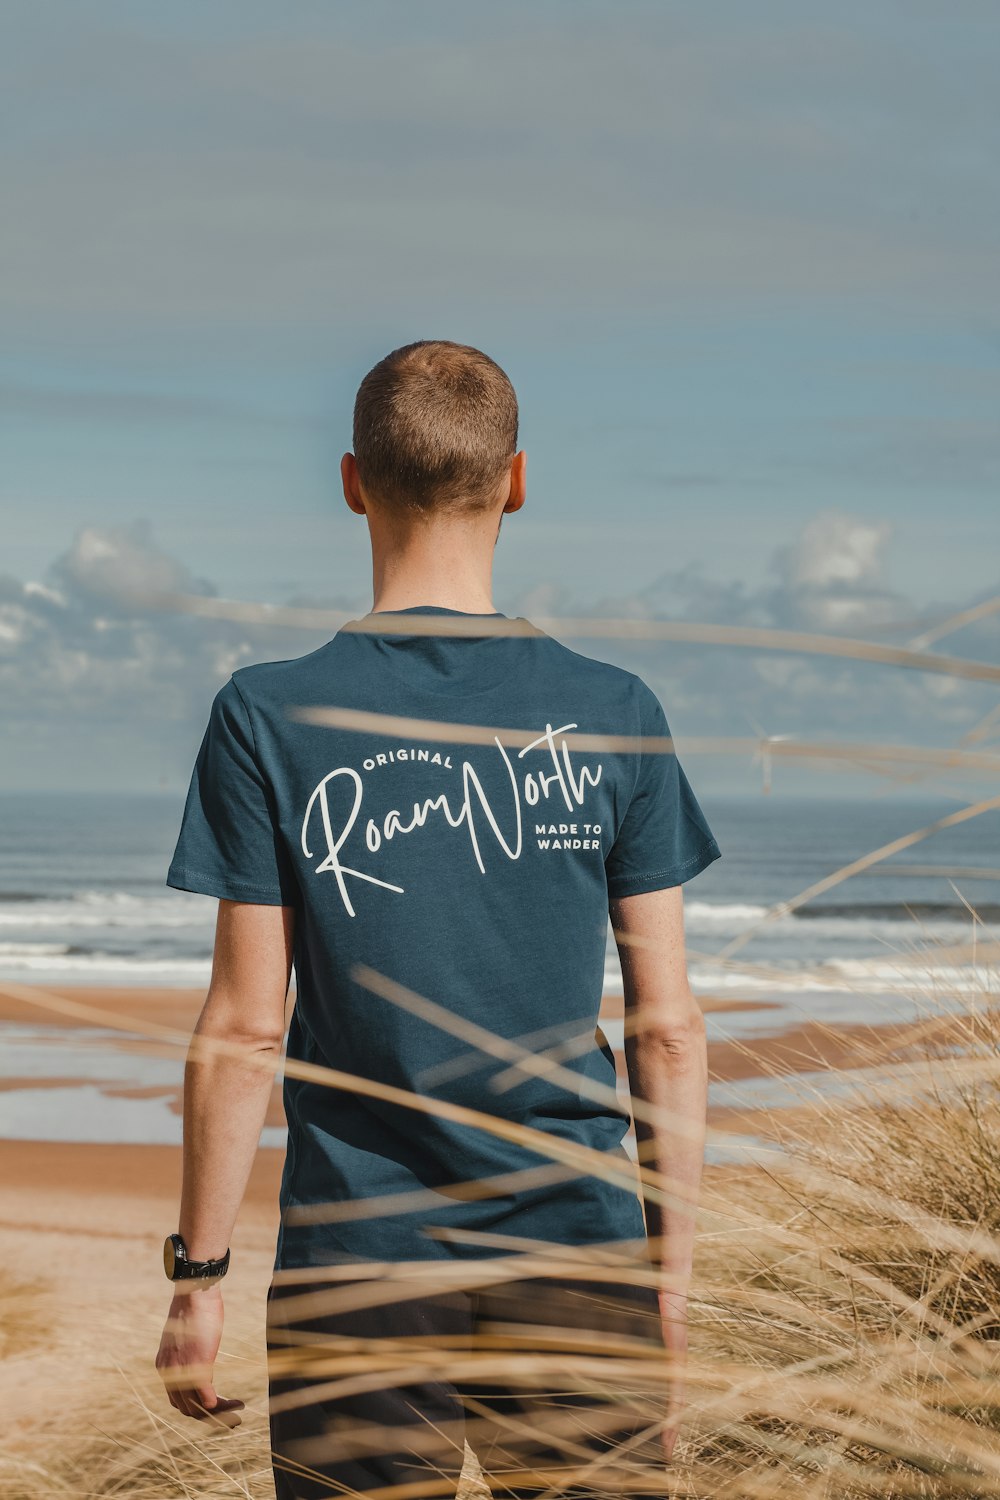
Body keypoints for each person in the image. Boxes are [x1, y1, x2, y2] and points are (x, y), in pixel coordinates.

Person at [155, 339, 722, 1497]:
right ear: (516, 479)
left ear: (354, 479)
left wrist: (199, 1278)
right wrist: (664, 1289)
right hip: (575, 1250)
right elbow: (666, 1029)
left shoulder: (266, 713)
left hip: (356, 1259)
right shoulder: (614, 710)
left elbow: (245, 1030)